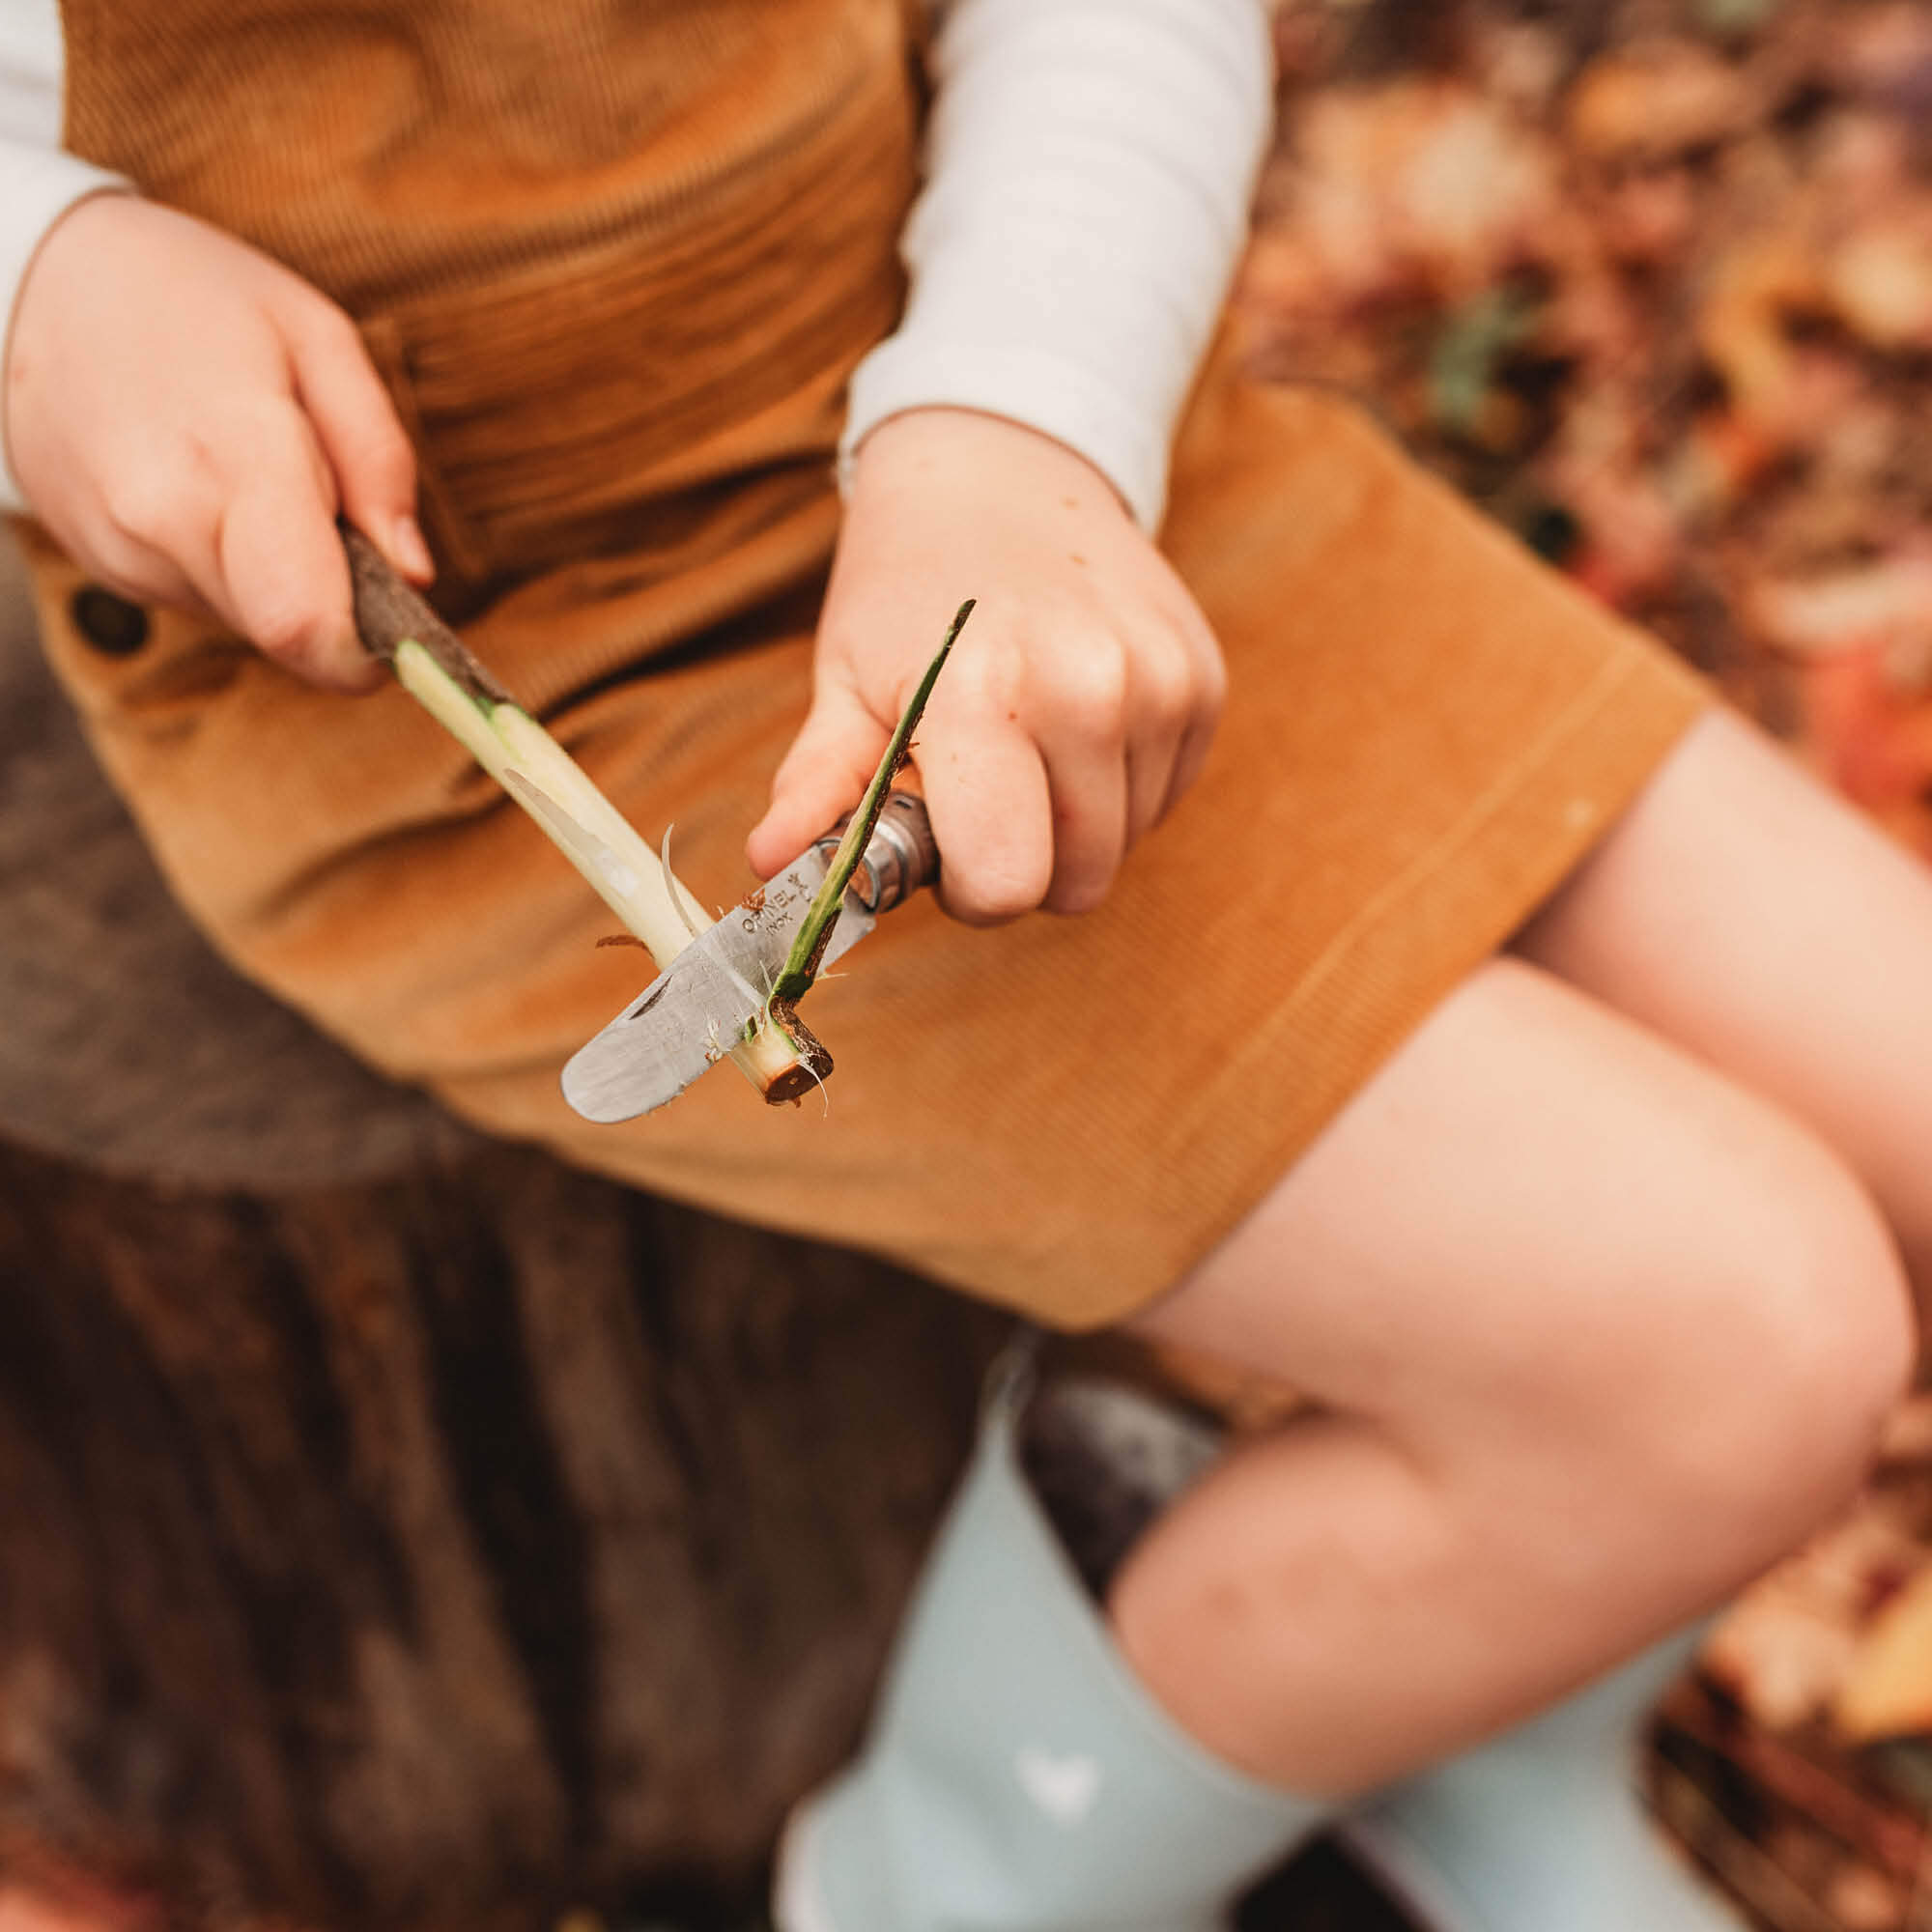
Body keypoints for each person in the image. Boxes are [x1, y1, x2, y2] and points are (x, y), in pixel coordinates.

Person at [1, 1, 1922, 1928]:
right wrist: (41, 275)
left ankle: (1464, 1745)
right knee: (1740, 1349)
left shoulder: (1018, 437)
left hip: (1011, 469)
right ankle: (943, 1883)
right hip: (507, 682)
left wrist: (1017, 424)